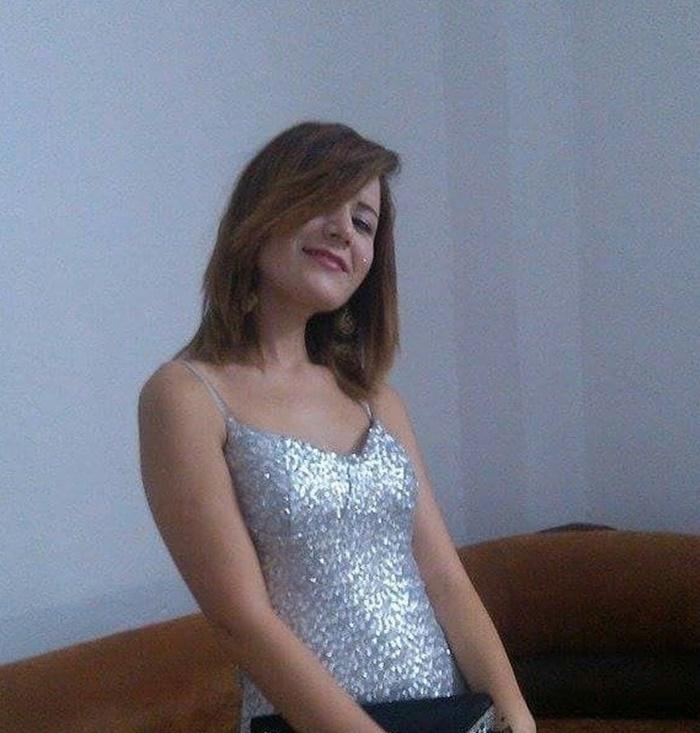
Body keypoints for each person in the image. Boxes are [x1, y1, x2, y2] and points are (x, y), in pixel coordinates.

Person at [138, 121, 536, 733]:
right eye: (323, 199)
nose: (343, 231)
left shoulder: (376, 399)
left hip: (450, 717)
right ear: (261, 211)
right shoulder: (186, 396)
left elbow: (444, 579)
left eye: (364, 222)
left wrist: (516, 719)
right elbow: (242, 620)